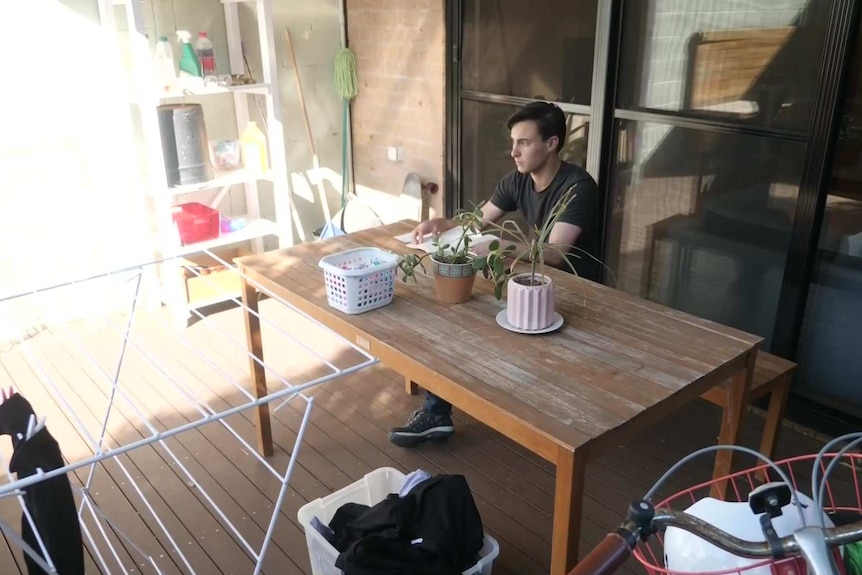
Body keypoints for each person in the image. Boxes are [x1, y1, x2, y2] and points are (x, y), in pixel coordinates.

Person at [388, 101, 604, 448]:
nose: (513, 151)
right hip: (532, 282)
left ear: (551, 144)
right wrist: (440, 224)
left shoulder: (577, 187)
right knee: (453, 317)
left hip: (578, 295)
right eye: (513, 141)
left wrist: (498, 249)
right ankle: (437, 412)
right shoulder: (517, 180)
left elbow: (557, 254)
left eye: (524, 142)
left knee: (471, 320)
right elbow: (477, 221)